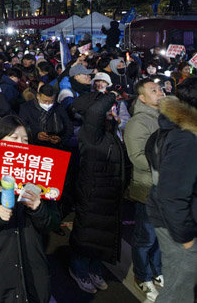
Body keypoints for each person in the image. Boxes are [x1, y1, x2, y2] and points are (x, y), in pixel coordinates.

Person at [0, 115, 60, 302]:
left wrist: (38, 208)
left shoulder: (39, 176)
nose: (21, 144)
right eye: (14, 138)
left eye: (25, 140)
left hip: (32, 264)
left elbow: (52, 222)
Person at [68, 90, 125, 294]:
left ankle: (94, 269)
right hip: (93, 192)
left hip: (108, 192)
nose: (110, 112)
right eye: (106, 109)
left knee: (102, 236)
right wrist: (110, 94)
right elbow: (95, 111)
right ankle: (79, 269)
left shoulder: (108, 132)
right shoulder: (90, 131)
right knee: (88, 234)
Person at [146, 78, 197, 302]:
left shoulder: (176, 126)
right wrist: (186, 239)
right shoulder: (186, 138)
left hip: (176, 220)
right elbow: (171, 194)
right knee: (180, 290)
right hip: (179, 227)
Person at [125, 79, 165, 301]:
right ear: (142, 97)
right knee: (146, 237)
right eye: (154, 90)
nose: (160, 92)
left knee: (162, 235)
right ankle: (142, 276)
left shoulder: (167, 117)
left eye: (160, 89)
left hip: (168, 187)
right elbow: (137, 158)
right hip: (149, 188)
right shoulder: (138, 123)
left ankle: (157, 270)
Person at [18, 83, 73, 149]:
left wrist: (61, 139)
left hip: (55, 147)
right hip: (33, 146)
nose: (48, 104)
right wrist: (36, 135)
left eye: (51, 101)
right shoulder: (26, 108)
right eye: (45, 101)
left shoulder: (59, 107)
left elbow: (69, 127)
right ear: (38, 96)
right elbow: (22, 127)